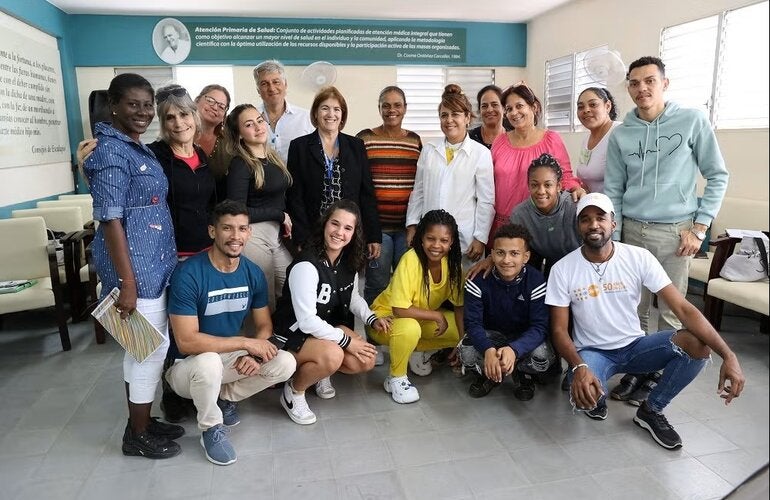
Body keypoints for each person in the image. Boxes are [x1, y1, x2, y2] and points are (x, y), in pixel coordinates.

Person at [545, 192, 744, 450]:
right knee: (586, 394)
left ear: (613, 224)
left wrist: (728, 355)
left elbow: (683, 309)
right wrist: (578, 366)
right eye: (585, 219)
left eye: (600, 218)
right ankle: (595, 390)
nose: (593, 224)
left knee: (697, 344)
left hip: (635, 347)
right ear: (578, 227)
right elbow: (559, 330)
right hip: (593, 352)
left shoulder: (638, 257)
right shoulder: (563, 268)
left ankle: (652, 410)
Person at [605, 56, 729, 403]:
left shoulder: (691, 121)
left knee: (672, 311)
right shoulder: (623, 134)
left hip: (676, 232)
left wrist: (700, 228)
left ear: (664, 83)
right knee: (636, 310)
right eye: (634, 83)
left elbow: (718, 175)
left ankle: (659, 375)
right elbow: (614, 189)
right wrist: (614, 239)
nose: (642, 88)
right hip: (631, 230)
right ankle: (638, 371)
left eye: (649, 81)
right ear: (628, 87)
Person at [82, 73, 183, 459]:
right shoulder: (109, 151)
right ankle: (137, 435)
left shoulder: (134, 147)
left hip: (153, 265)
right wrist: (126, 282)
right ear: (113, 105)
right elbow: (110, 219)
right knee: (147, 352)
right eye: (133, 104)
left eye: (146, 105)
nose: (142, 112)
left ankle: (140, 421)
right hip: (136, 273)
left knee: (144, 350)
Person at [166, 200, 296, 465]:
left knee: (285, 362)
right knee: (209, 361)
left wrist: (256, 354)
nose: (235, 237)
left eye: (242, 229)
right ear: (213, 231)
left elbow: (264, 327)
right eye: (227, 228)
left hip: (225, 356)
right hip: (186, 366)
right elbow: (187, 341)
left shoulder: (252, 273)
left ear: (249, 233)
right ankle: (211, 428)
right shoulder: (189, 273)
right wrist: (246, 343)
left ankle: (222, 398)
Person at [272, 200, 389, 424]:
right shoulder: (306, 264)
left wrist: (371, 318)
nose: (339, 232)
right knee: (335, 355)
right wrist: (346, 341)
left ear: (355, 233)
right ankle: (293, 391)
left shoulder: (349, 259)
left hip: (324, 329)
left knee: (365, 361)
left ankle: (319, 372)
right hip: (293, 334)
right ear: (325, 224)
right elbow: (306, 322)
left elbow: (352, 296)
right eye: (335, 224)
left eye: (348, 228)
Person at [368, 209, 465, 404]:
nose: (436, 246)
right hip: (385, 320)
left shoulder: (453, 265)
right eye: (431, 238)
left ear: (451, 242)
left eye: (444, 240)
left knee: (461, 332)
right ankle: (396, 378)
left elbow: (459, 307)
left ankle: (411, 352)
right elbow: (400, 310)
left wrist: (462, 343)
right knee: (410, 327)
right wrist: (437, 317)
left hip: (420, 318)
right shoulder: (410, 260)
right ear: (421, 238)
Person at [458, 223, 552, 400]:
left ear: (526, 257)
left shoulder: (536, 280)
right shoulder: (476, 280)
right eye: (500, 253)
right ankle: (490, 373)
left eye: (514, 253)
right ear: (492, 254)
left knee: (542, 357)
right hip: (491, 335)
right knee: (467, 353)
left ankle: (521, 372)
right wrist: (488, 349)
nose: (506, 260)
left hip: (521, 337)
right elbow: (472, 323)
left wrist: (514, 350)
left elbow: (540, 327)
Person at [405, 84, 495, 270]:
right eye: (444, 115)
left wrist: (480, 238)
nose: (449, 120)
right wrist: (412, 225)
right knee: (431, 290)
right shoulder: (429, 150)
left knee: (463, 292)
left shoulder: (480, 153)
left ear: (467, 118)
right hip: (431, 238)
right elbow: (418, 192)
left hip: (466, 240)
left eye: (455, 114)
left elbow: (486, 200)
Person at [286, 86, 381, 256]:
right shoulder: (299, 147)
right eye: (325, 108)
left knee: (348, 279)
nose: (331, 114)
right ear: (315, 113)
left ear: (342, 115)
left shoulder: (356, 146)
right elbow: (295, 197)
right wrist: (301, 237)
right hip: (313, 233)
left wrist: (373, 235)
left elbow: (367, 194)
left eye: (337, 109)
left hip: (348, 233)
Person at [489, 83, 584, 245]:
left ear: (534, 107)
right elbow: (488, 181)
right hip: (502, 223)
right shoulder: (499, 141)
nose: (514, 113)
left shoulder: (551, 139)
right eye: (509, 109)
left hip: (539, 224)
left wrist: (576, 188)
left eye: (519, 106)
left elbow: (565, 175)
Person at [356, 86, 423, 304]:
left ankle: (399, 332)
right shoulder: (365, 138)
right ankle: (374, 337)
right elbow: (358, 185)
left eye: (397, 105)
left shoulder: (414, 141)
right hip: (377, 230)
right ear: (379, 108)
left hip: (407, 229)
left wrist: (416, 225)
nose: (391, 110)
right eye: (386, 105)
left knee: (406, 285)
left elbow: (420, 185)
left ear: (405, 109)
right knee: (377, 284)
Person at [224, 104, 294, 312]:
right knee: (265, 300)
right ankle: (261, 343)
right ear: (239, 135)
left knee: (291, 287)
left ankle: (283, 340)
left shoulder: (273, 158)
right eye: (248, 124)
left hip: (276, 235)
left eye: (259, 120)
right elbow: (236, 211)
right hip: (253, 235)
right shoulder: (240, 164)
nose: (258, 126)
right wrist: (279, 215)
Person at [253, 60, 314, 165]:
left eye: (276, 82)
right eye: (264, 84)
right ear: (258, 90)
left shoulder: (307, 118)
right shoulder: (250, 119)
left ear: (285, 85)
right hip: (260, 180)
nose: (271, 88)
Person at [575, 87, 622, 193]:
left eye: (593, 104)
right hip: (594, 205)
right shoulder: (586, 140)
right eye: (580, 107)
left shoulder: (621, 133)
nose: (586, 110)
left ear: (607, 106)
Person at [468, 85, 506, 149]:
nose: (489, 110)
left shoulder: (513, 139)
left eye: (494, 105)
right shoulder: (469, 138)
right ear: (479, 110)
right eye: (484, 106)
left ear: (504, 108)